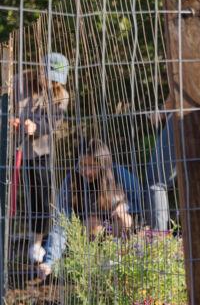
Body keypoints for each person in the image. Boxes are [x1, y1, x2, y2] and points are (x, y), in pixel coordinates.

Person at [38, 138, 143, 278]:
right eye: (82, 165)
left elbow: (139, 203)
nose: (87, 171)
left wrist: (124, 207)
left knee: (124, 219)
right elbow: (61, 223)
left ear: (103, 164)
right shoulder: (71, 182)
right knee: (93, 223)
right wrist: (49, 261)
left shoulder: (120, 175)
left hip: (116, 230)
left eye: (92, 166)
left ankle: (119, 261)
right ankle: (92, 268)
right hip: (87, 232)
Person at [13, 53, 70, 268]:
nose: (51, 81)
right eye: (48, 74)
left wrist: (35, 128)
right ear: (40, 68)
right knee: (23, 196)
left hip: (40, 151)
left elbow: (52, 123)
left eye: (56, 78)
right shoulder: (20, 81)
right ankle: (30, 239)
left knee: (43, 196)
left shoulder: (61, 95)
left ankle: (38, 243)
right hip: (15, 147)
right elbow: (7, 103)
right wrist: (12, 120)